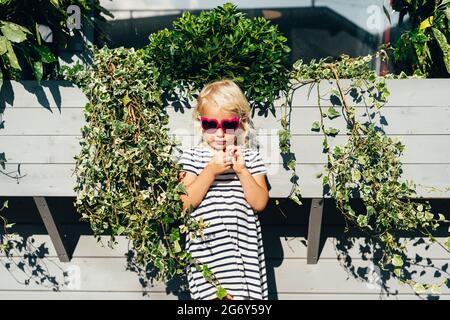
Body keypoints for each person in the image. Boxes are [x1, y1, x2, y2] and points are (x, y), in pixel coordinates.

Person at [177, 78, 269, 300]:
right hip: (207, 260)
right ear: (200, 123)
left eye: (227, 125)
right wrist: (210, 171)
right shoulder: (191, 158)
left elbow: (259, 203)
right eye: (211, 125)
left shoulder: (249, 159)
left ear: (240, 123)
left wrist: (242, 172)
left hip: (243, 264)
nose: (219, 133)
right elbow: (183, 204)